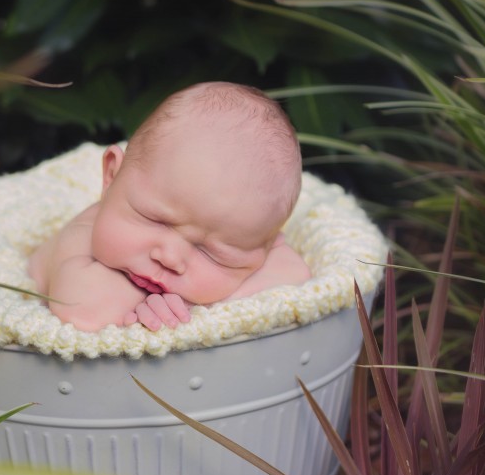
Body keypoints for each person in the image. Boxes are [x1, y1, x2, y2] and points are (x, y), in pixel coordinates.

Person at [28, 82, 311, 332]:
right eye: (156, 220)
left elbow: (294, 275)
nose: (171, 258)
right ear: (112, 177)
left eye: (213, 254)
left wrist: (186, 304)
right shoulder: (81, 235)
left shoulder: (247, 242)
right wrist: (193, 303)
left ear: (265, 245)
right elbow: (83, 311)